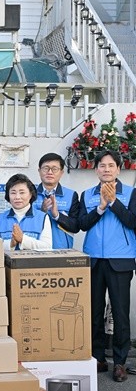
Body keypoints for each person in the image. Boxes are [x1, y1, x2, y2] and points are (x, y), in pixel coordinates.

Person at [78, 150, 136, 382]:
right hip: (93, 258)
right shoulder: (87, 195)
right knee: (94, 311)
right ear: (96, 170)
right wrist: (100, 207)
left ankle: (120, 362)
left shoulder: (131, 193)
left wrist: (113, 202)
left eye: (111, 165)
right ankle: (98, 357)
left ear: (118, 169)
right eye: (102, 165)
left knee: (120, 314)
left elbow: (132, 221)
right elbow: (82, 224)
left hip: (120, 259)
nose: (106, 169)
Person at [0, 173, 52, 250]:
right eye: (13, 193)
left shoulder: (42, 217)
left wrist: (23, 239)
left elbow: (47, 247)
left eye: (22, 192)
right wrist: (10, 243)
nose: (17, 197)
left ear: (31, 194)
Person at [33, 153, 80, 248]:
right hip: (36, 249)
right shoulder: (30, 194)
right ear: (39, 171)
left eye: (54, 169)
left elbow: (76, 226)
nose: (50, 172)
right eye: (46, 168)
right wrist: (42, 213)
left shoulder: (71, 195)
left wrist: (57, 215)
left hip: (62, 251)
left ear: (61, 172)